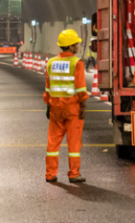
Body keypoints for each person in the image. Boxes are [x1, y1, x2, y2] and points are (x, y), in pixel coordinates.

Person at [44, 29, 89, 183]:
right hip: (72, 109)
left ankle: (50, 174)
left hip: (55, 109)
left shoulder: (51, 63)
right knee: (74, 143)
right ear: (70, 46)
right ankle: (74, 174)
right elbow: (81, 89)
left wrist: (49, 106)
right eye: (76, 44)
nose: (78, 46)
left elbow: (48, 88)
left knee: (53, 144)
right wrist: (83, 106)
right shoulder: (77, 63)